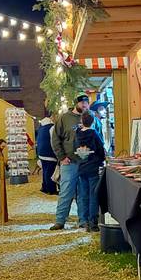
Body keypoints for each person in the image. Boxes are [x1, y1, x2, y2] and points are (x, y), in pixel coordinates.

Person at [50, 94, 88, 230]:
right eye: (82, 103)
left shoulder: (90, 117)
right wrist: (61, 157)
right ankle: (60, 220)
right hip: (69, 162)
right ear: (76, 103)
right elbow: (55, 139)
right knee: (66, 192)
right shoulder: (64, 118)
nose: (84, 105)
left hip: (85, 163)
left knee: (83, 192)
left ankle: (83, 220)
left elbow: (98, 136)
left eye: (86, 103)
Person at [74, 111, 106, 232]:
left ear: (82, 120)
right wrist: (101, 160)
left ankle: (84, 221)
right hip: (93, 168)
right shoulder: (94, 134)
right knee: (93, 195)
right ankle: (93, 222)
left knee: (83, 195)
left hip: (81, 168)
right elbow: (100, 150)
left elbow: (74, 149)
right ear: (93, 121)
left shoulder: (77, 135)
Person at [36, 115, 57, 195]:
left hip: (41, 152)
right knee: (50, 172)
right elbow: (53, 141)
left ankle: (44, 187)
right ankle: (51, 189)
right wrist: (56, 153)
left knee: (45, 171)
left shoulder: (41, 127)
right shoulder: (51, 127)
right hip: (49, 152)